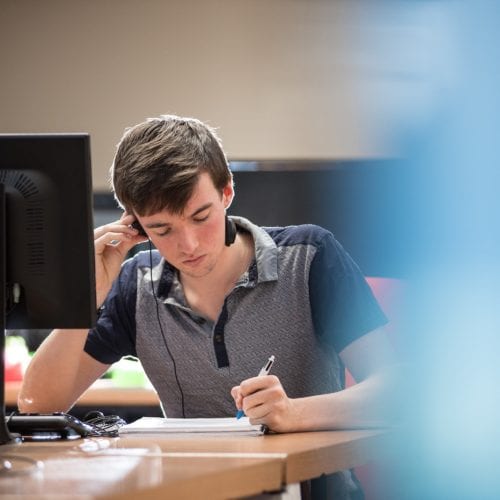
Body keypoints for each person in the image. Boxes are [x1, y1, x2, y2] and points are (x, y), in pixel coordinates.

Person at [19, 115, 398, 499]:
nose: (189, 245)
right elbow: (37, 406)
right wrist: (85, 297)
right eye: (162, 230)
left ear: (227, 193)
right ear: (135, 227)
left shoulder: (309, 257)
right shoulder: (135, 285)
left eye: (201, 217)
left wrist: (290, 414)